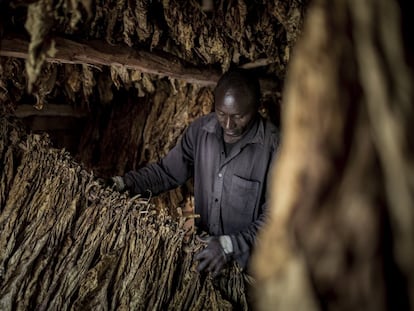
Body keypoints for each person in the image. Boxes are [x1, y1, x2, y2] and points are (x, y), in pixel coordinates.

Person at [109, 69, 280, 277]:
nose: (228, 125)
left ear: (258, 105)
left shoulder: (276, 148)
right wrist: (123, 184)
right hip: (205, 257)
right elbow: (166, 172)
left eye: (238, 116)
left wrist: (229, 245)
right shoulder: (200, 132)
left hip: (251, 272)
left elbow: (278, 219)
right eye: (221, 114)